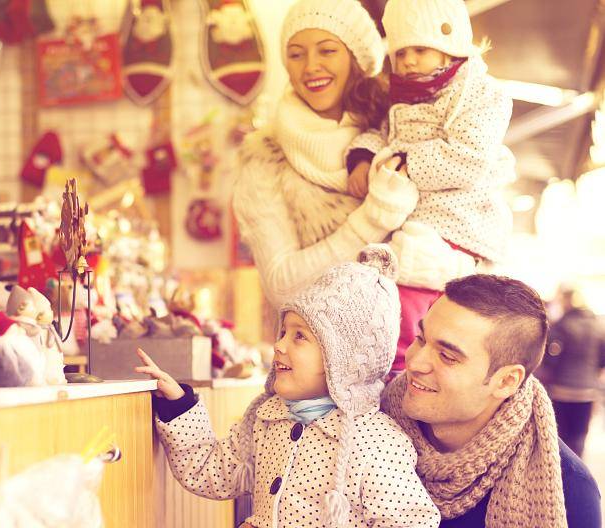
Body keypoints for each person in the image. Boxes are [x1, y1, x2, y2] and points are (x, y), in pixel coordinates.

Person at [139, 245, 440, 527]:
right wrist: (178, 406)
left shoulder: (376, 443)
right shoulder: (267, 419)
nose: (279, 345)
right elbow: (211, 471)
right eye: (283, 332)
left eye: (299, 337)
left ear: (343, 358)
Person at [345, 0, 515, 373]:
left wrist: (404, 162)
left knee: (413, 283)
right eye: (400, 52)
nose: (408, 61)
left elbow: (470, 157)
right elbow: (385, 135)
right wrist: (362, 156)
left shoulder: (482, 94)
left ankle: (403, 368)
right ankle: (392, 364)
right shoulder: (402, 98)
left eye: (420, 50)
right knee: (387, 287)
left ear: (449, 45)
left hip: (458, 219)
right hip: (413, 218)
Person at [232, 0, 421, 309]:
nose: (310, 67)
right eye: (296, 54)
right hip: (317, 340)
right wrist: (373, 219)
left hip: (417, 333)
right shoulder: (265, 158)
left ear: (357, 57)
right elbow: (281, 288)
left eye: (327, 50)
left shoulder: (403, 129)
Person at [381, 275, 601, 528]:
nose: (415, 363)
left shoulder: (571, 493)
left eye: (447, 356)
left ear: (506, 381)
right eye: (421, 338)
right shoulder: (366, 430)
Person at [538, 287, 605, 457]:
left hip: (562, 390)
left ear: (567, 302)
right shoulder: (598, 325)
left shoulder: (562, 325)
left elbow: (551, 357)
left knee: (562, 437)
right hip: (587, 391)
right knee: (580, 435)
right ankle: (578, 464)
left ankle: (561, 468)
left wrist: (549, 372)